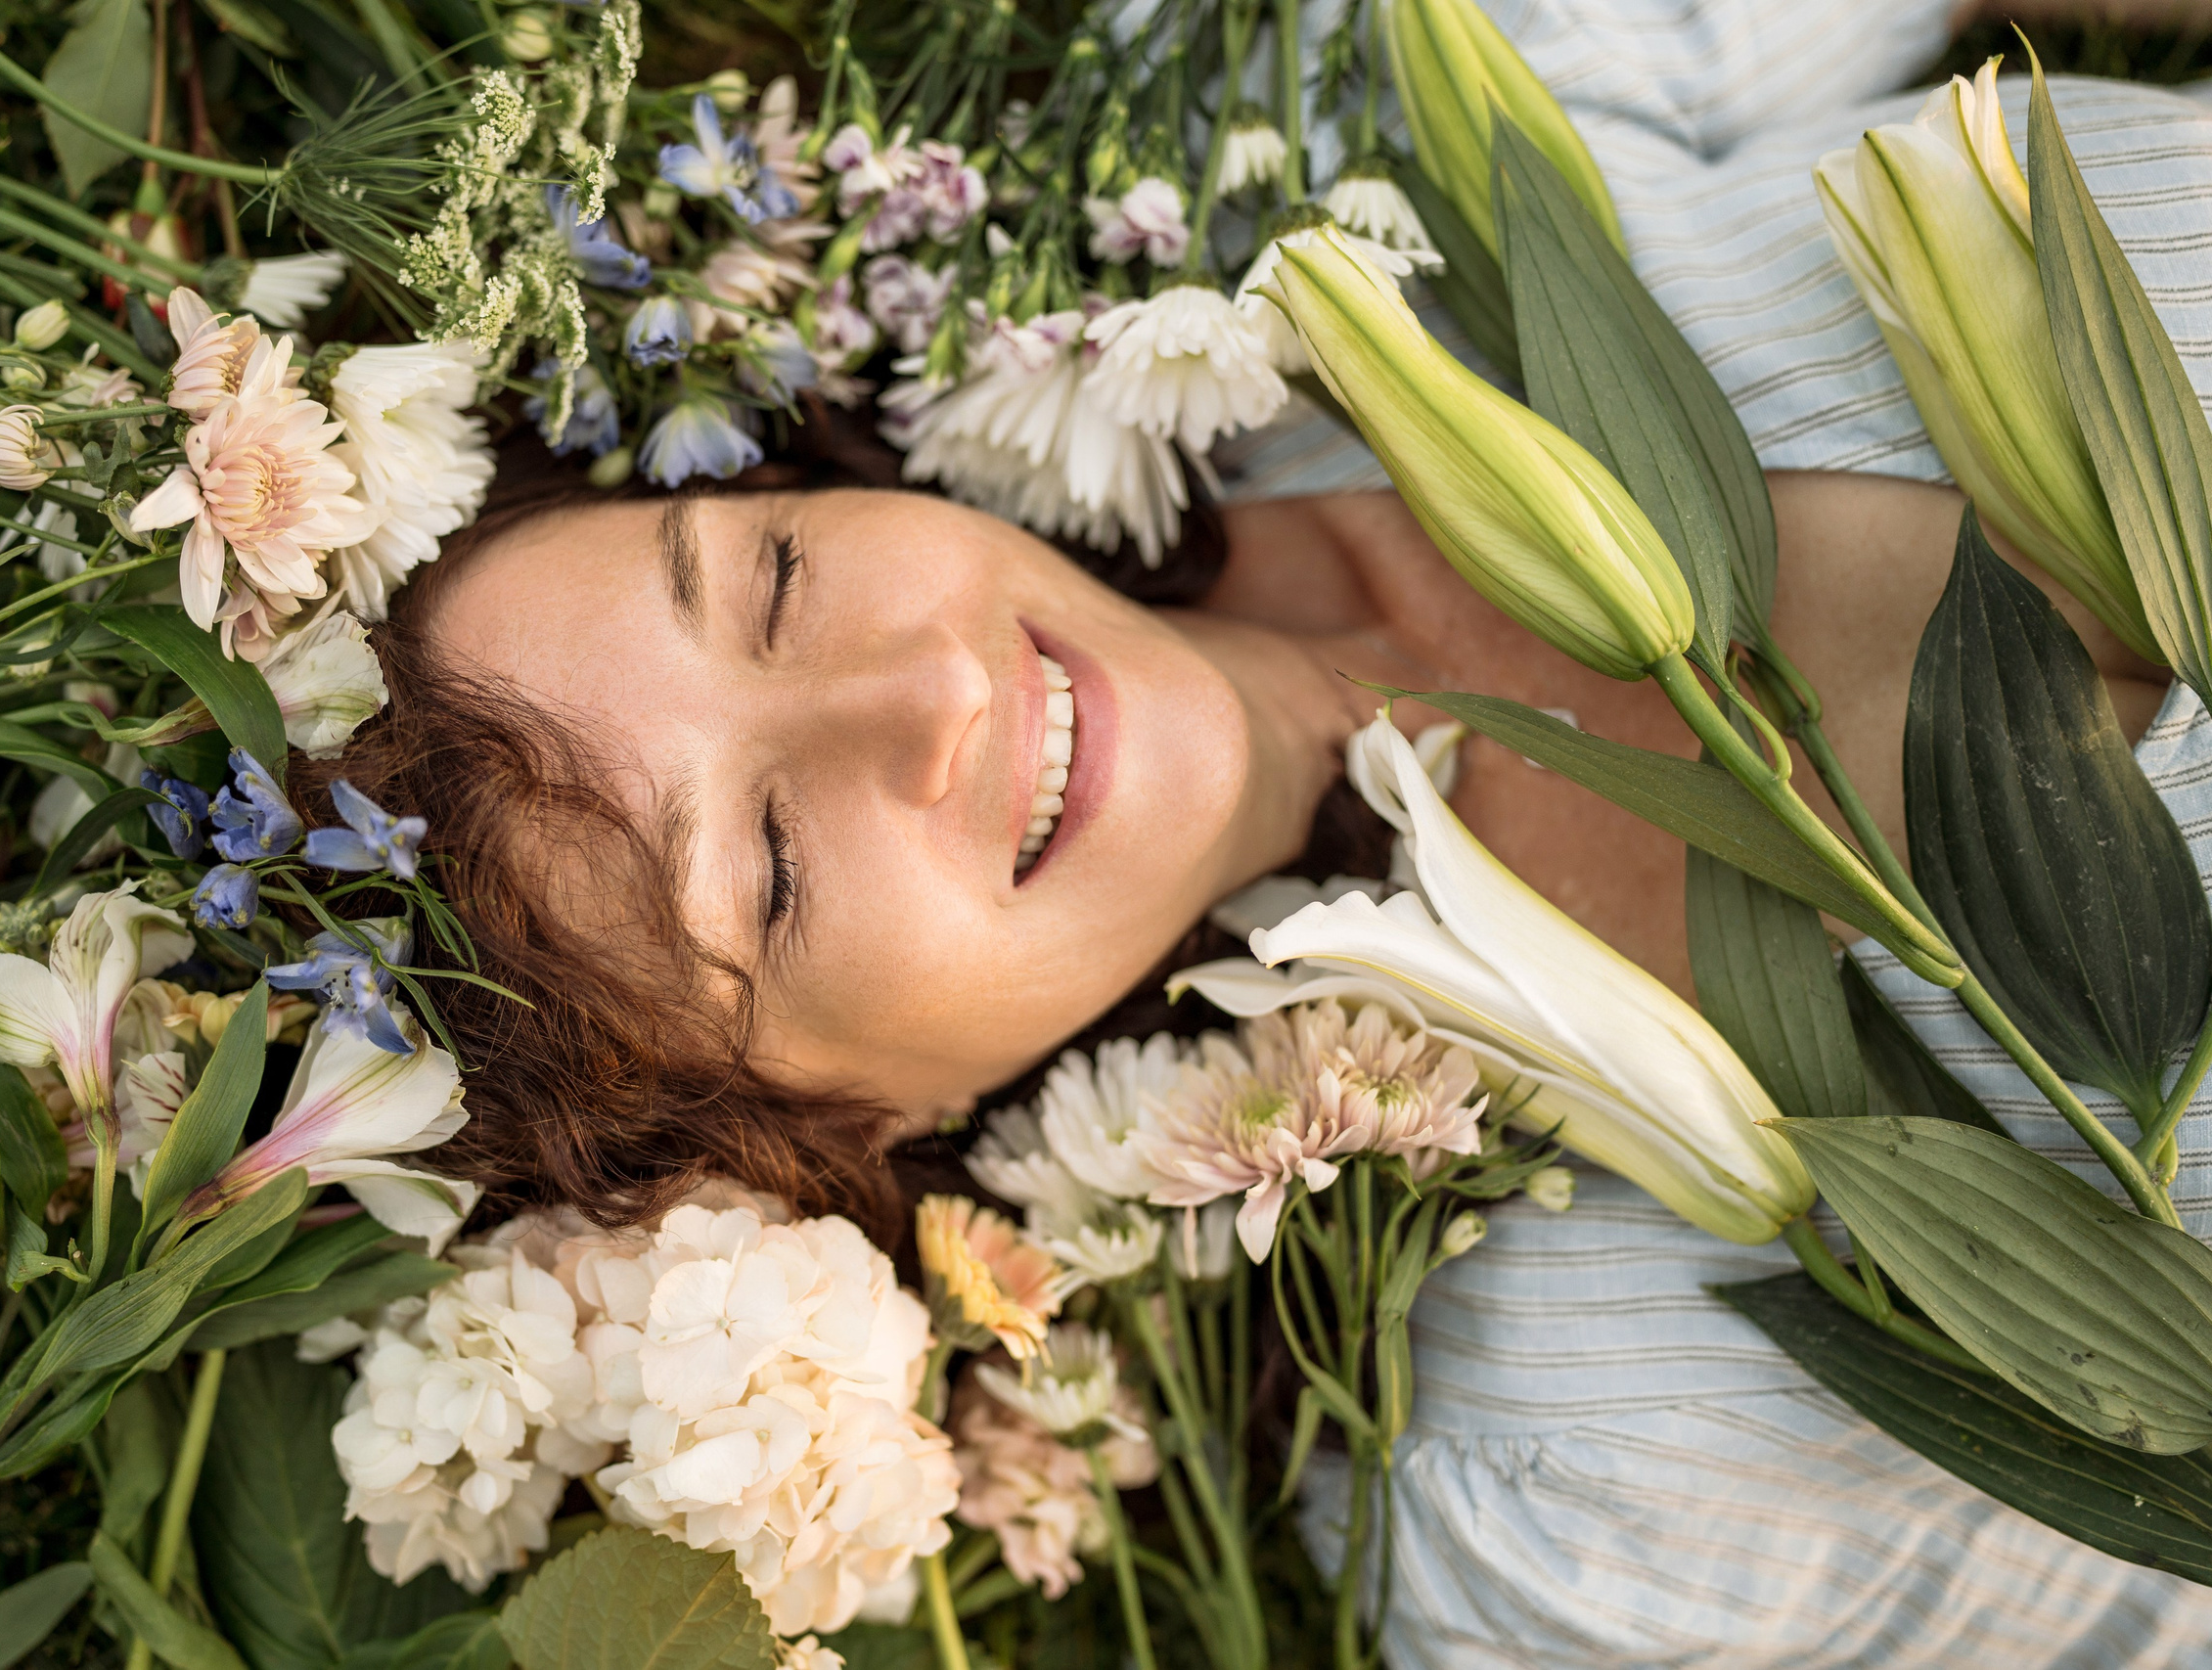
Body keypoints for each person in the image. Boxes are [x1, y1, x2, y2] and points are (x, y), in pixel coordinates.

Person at [309, 0, 2212, 1661]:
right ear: (819, 1150)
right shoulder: (1547, 1477)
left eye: (775, 575)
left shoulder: (1284, 152)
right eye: (773, 869)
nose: (926, 701)